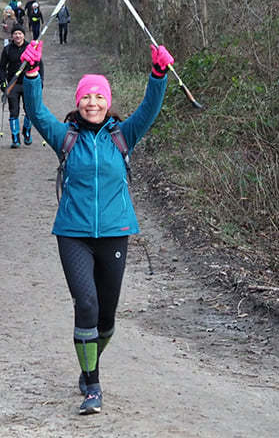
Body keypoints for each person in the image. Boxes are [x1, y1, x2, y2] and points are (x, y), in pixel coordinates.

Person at [19, 39, 175, 414]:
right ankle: (92, 383)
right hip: (73, 234)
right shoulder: (66, 137)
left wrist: (158, 74)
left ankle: (89, 361)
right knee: (86, 304)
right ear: (78, 102)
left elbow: (150, 108)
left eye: (99, 96)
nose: (92, 102)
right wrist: (32, 73)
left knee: (106, 319)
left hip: (115, 233)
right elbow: (36, 111)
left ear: (108, 101)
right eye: (86, 97)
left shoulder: (123, 136)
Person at [0, 25, 37, 147]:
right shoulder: (7, 49)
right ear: (12, 36)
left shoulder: (30, 48)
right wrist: (2, 82)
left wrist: (40, 81)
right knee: (13, 111)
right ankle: (15, 138)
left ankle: (27, 131)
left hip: (28, 83)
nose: (17, 36)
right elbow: (2, 68)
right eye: (15, 33)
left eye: (20, 33)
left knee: (29, 110)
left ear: (24, 35)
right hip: (12, 84)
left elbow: (39, 65)